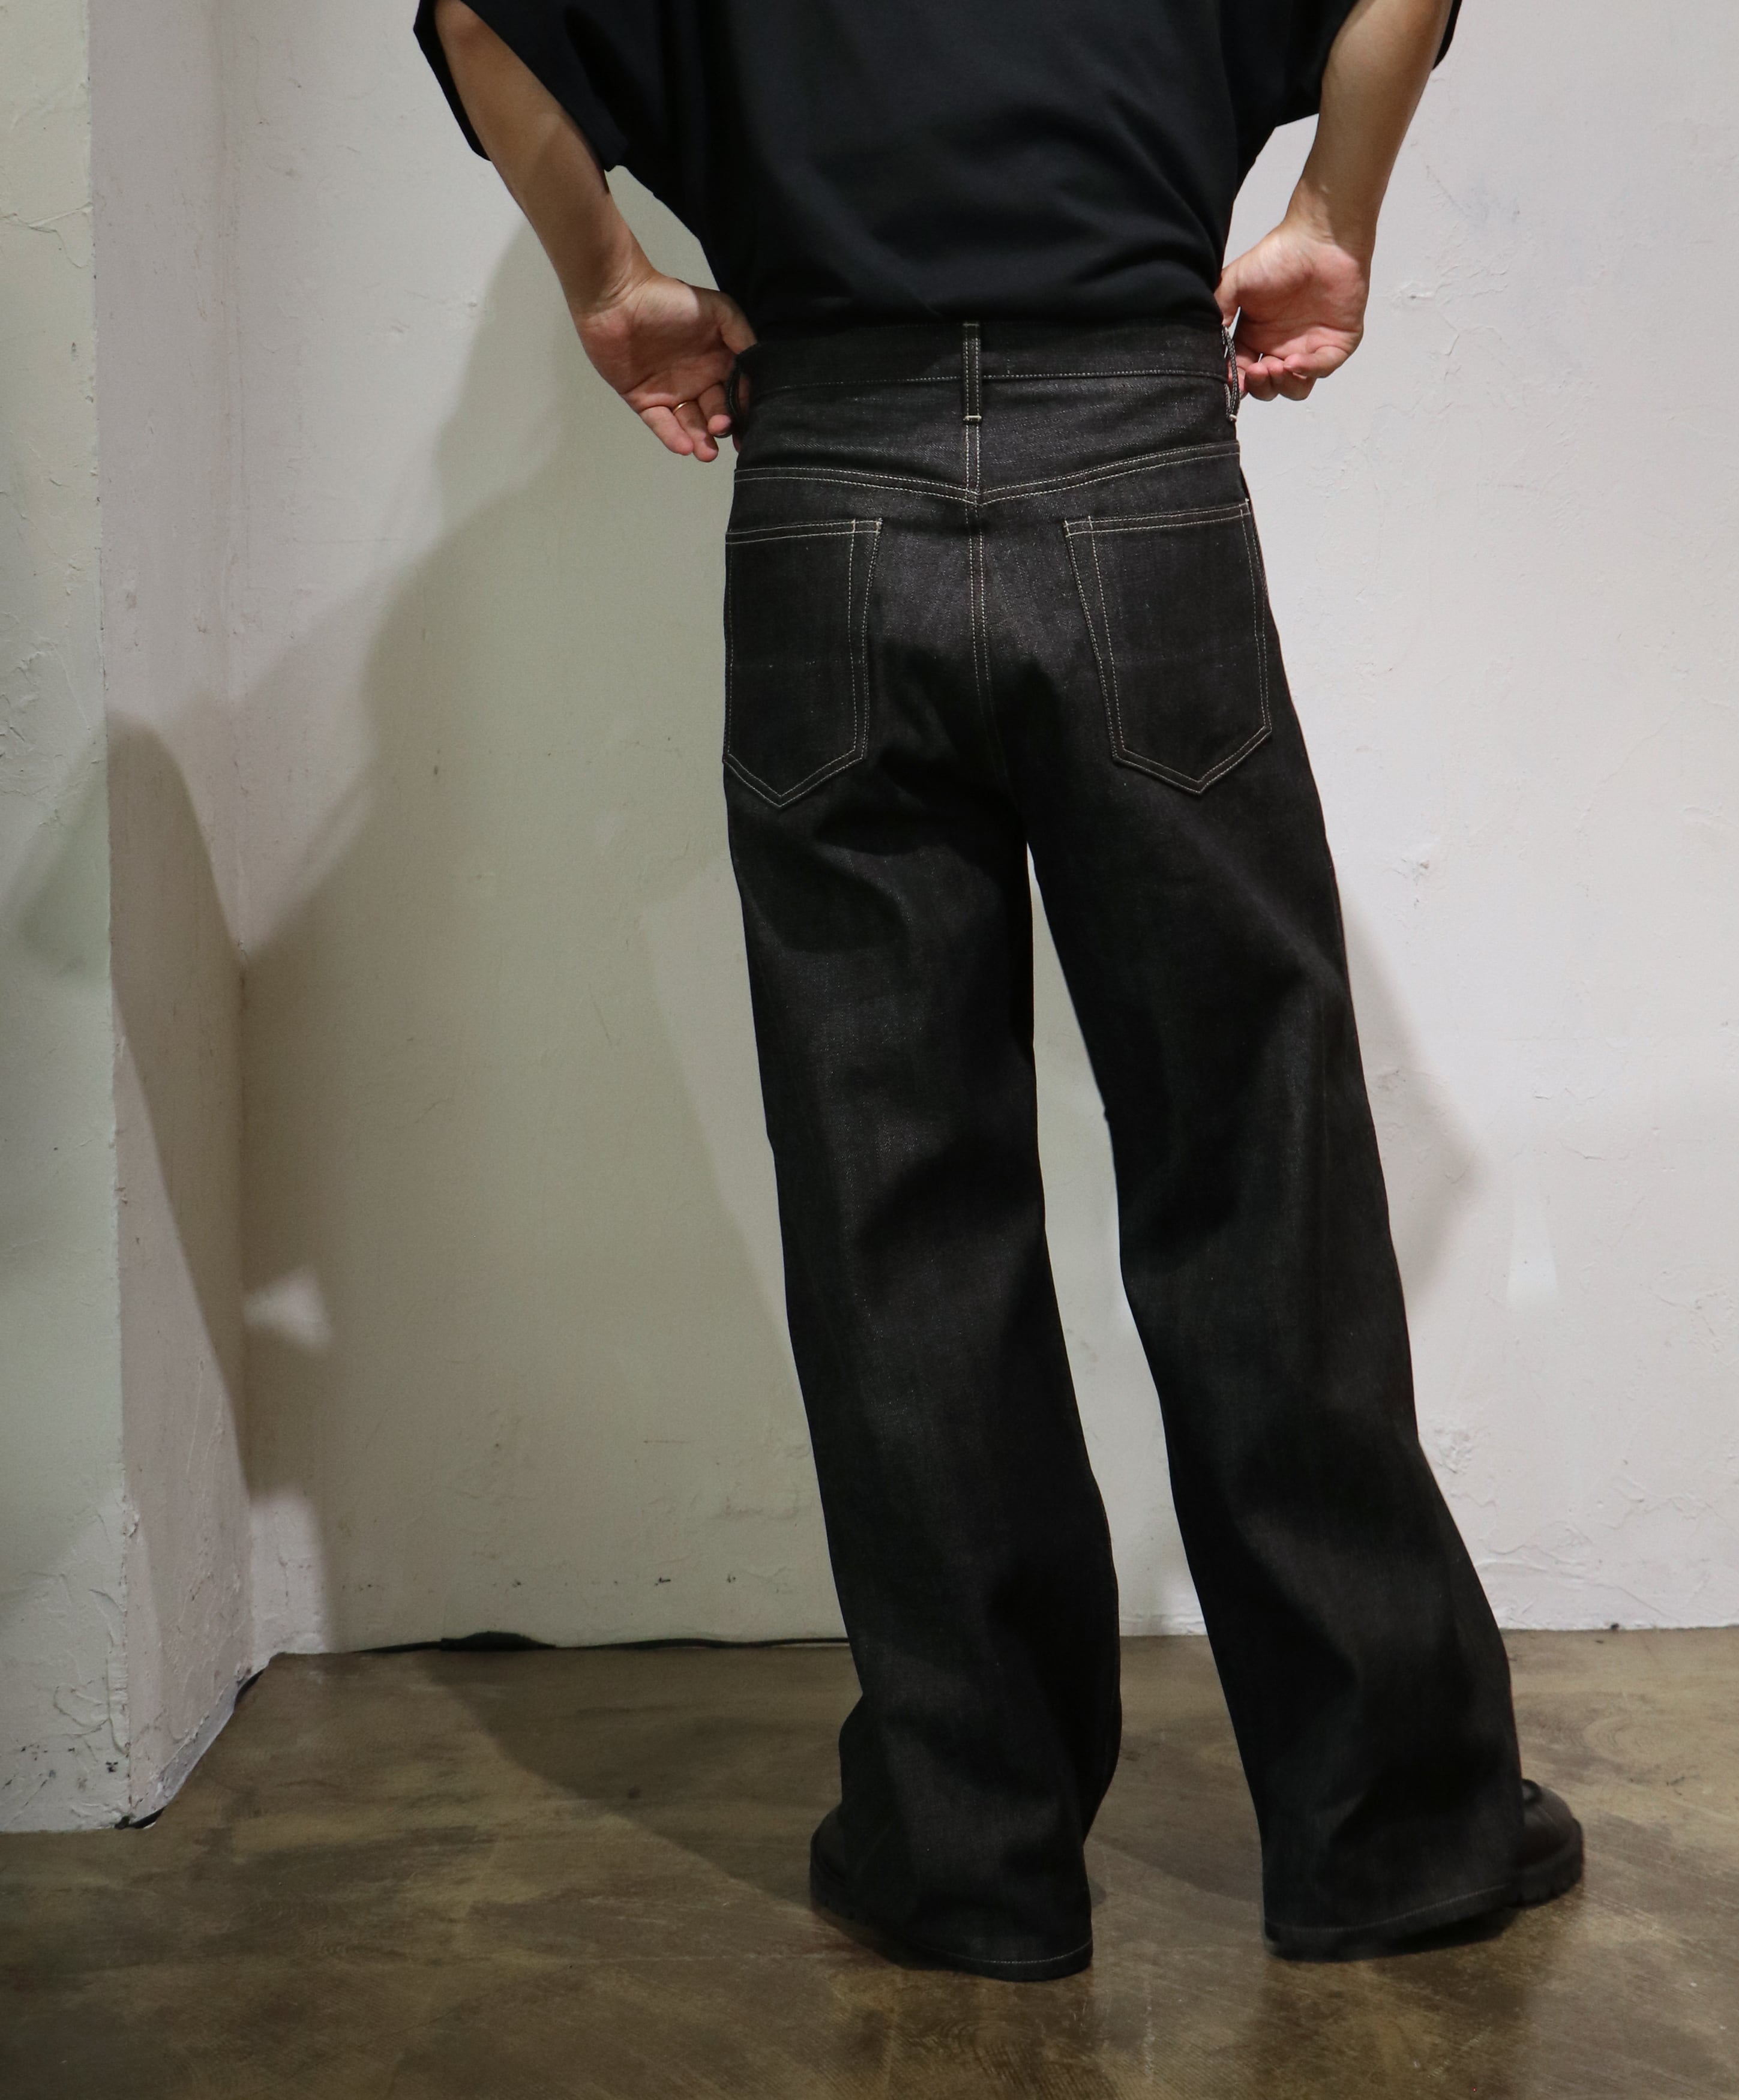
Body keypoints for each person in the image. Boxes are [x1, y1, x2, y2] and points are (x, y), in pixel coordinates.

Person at [415, 0, 1581, 1981]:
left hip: (829, 489)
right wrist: (1330, 212)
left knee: (894, 1196)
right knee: (1253, 1157)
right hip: (1131, 468)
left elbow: (475, 10)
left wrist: (606, 274)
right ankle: (1389, 1824)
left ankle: (969, 1846)